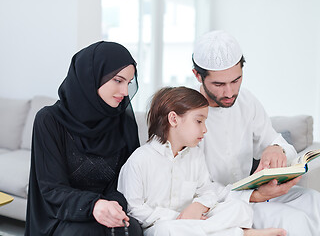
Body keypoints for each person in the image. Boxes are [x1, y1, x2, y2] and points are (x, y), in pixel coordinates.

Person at [192, 30, 320, 235]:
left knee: (314, 200)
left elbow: (274, 140)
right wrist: (255, 196)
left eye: (235, 80)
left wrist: (275, 148)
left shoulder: (245, 100)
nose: (229, 93)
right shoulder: (186, 112)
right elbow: (192, 187)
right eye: (219, 84)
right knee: (293, 220)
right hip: (220, 204)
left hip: (252, 193)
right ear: (197, 75)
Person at [118, 86, 286, 236]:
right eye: (199, 121)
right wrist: (178, 217)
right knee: (167, 231)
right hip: (164, 225)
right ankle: (241, 234)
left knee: (240, 208)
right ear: (174, 119)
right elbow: (133, 209)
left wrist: (199, 205)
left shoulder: (195, 155)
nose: (205, 129)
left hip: (196, 219)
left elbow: (207, 191)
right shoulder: (140, 160)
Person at [25, 41, 143, 236]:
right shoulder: (49, 120)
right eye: (118, 80)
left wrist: (112, 205)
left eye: (128, 83)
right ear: (92, 77)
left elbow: (128, 180)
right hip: (60, 215)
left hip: (109, 212)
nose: (124, 92)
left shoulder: (124, 122)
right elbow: (51, 189)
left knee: (131, 229)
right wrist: (94, 205)